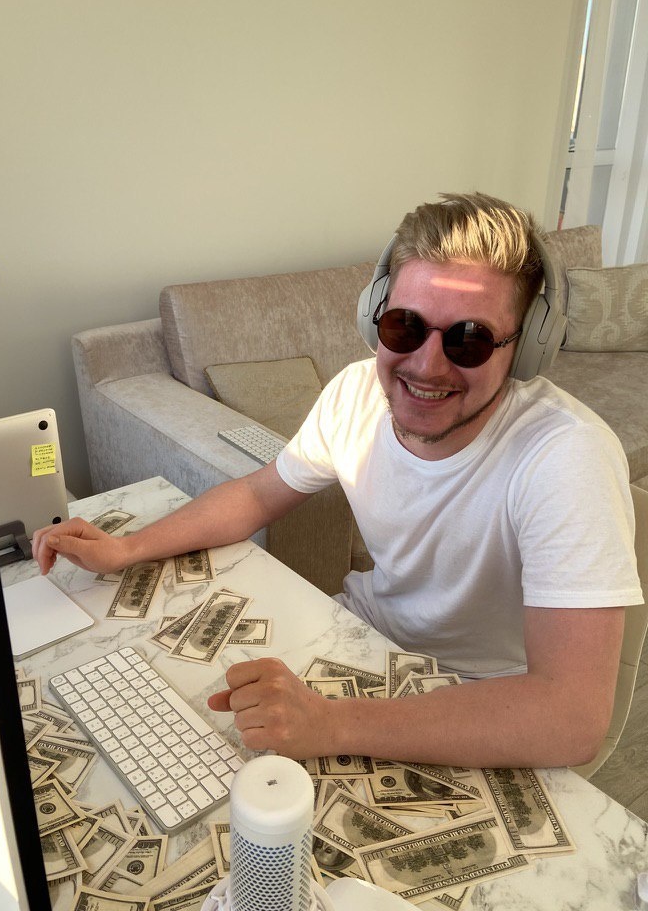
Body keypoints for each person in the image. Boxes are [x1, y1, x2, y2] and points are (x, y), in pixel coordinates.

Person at [33, 193, 643, 770]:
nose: (426, 365)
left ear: (527, 349)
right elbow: (256, 495)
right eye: (405, 326)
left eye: (469, 340)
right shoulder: (356, 393)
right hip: (361, 639)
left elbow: (571, 718)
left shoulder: (566, 457)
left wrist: (330, 724)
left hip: (481, 698)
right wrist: (127, 548)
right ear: (374, 318)